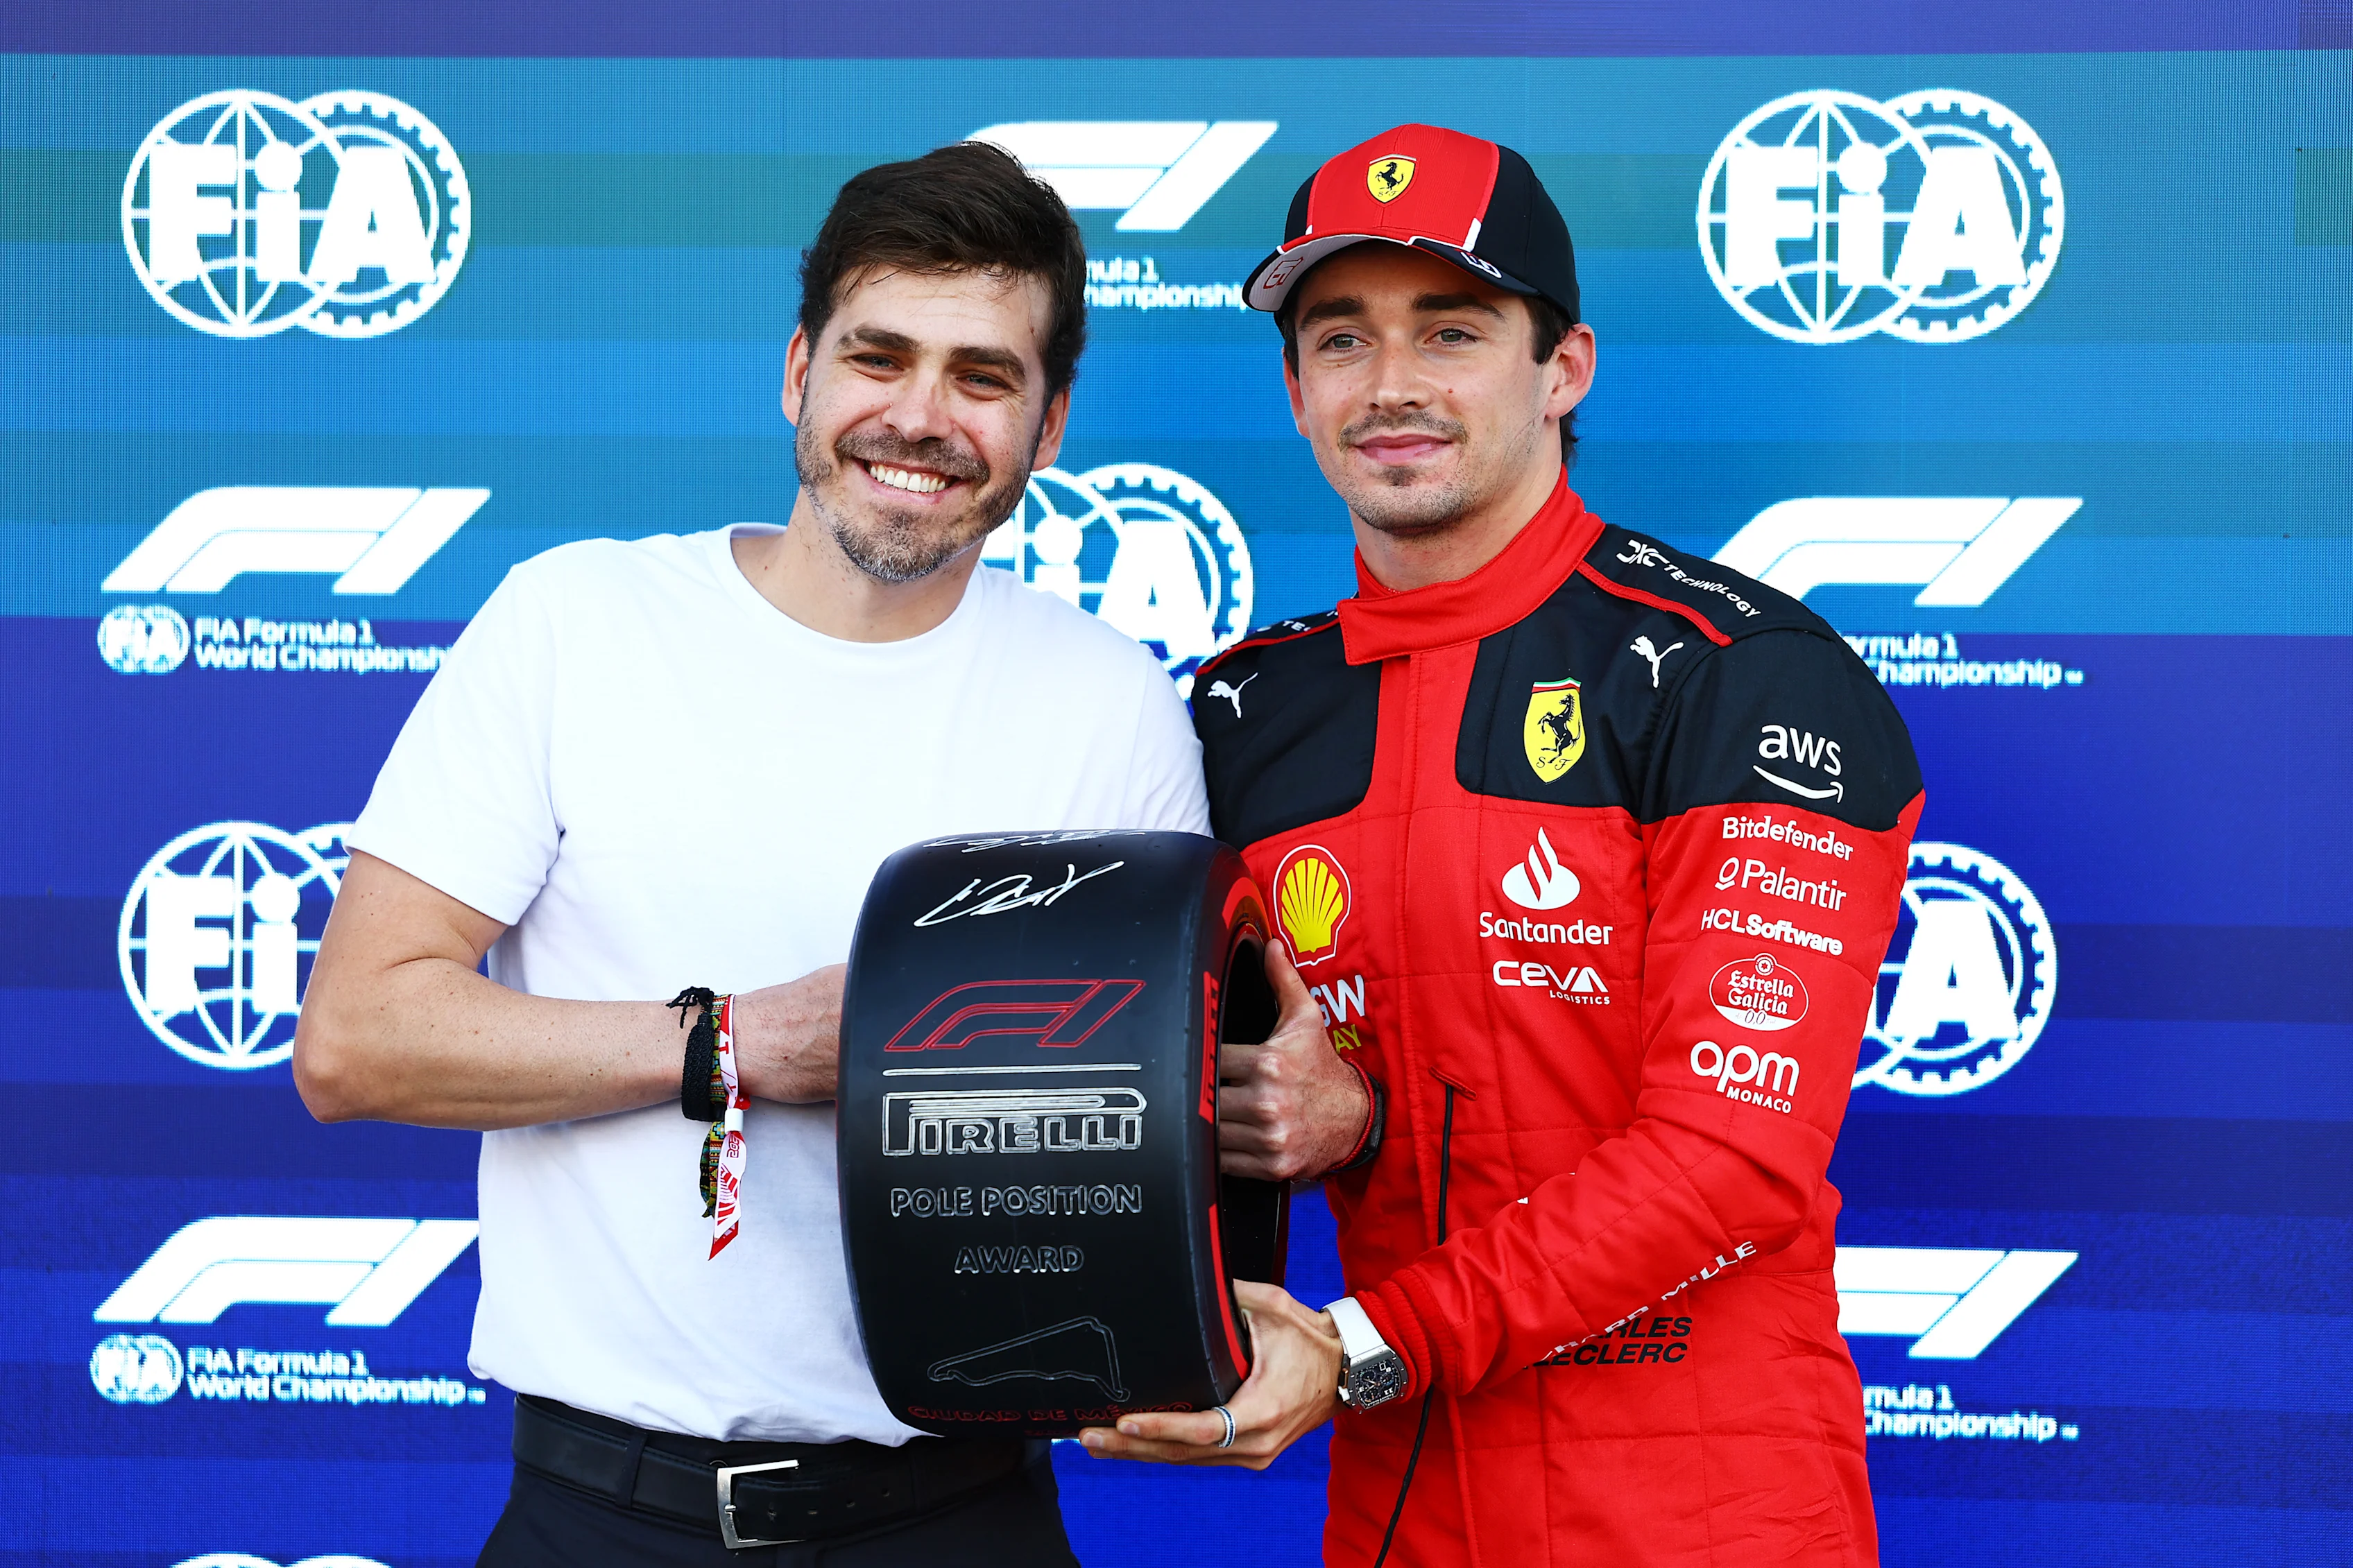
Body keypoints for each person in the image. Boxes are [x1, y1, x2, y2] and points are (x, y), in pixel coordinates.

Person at [294, 141, 1208, 1567]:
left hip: (955, 1516)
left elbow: (1149, 1122)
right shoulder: (576, 624)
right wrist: (735, 1043)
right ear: (797, 374)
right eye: (878, 356)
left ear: (1049, 423)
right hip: (605, 1513)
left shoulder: (1109, 700)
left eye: (982, 377)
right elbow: (354, 1039)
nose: (918, 415)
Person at [1081, 123, 1923, 1568]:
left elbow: (1730, 1154)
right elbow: (1180, 1067)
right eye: (1340, 340)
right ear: (1293, 391)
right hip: (1408, 1500)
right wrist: (1334, 1114)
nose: (1392, 385)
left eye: (1452, 330)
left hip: (1702, 1507)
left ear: (1564, 368)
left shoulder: (1737, 673)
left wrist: (1359, 1343)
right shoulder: (1244, 710)